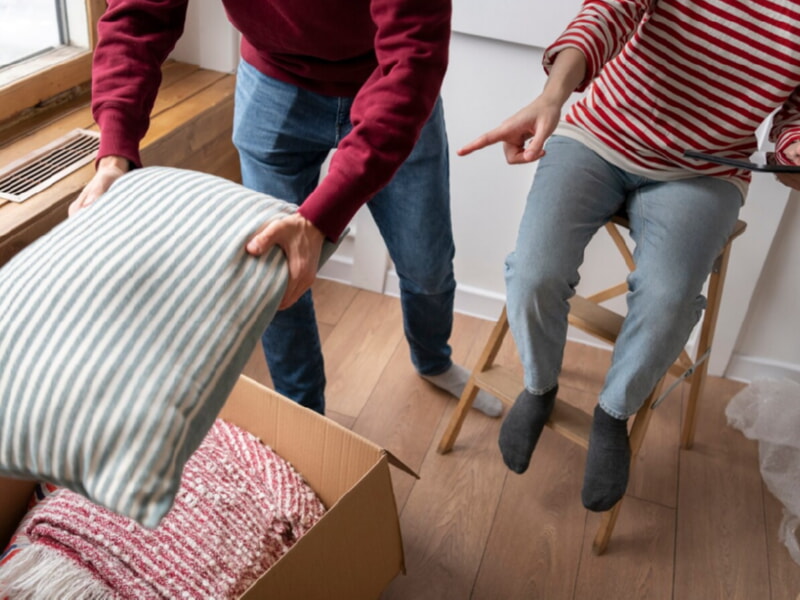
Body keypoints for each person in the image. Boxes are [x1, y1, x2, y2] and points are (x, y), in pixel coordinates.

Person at [71, 0, 502, 418]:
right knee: (272, 276)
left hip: (387, 81)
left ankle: (432, 360)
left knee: (426, 264)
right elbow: (137, 14)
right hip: (271, 83)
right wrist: (115, 154)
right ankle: (304, 418)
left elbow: (413, 60)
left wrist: (319, 219)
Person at [459, 0, 800, 511]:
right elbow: (608, 11)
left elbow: (793, 120)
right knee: (534, 274)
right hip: (598, 136)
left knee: (669, 299)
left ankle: (613, 414)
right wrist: (553, 94)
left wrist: (794, 153)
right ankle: (539, 385)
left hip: (702, 173)